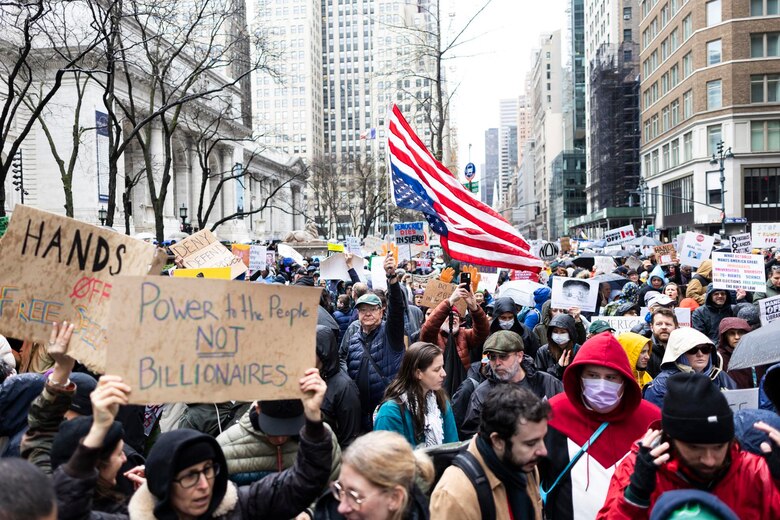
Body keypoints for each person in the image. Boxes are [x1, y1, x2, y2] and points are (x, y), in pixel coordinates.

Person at [56, 368, 334, 519]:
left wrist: (311, 418)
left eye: (208, 470)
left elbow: (307, 479)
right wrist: (99, 430)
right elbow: (68, 512)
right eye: (189, 476)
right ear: (164, 482)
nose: (204, 485)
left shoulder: (236, 505)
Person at [598, 372, 780, 518]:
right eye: (694, 448)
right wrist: (635, 497)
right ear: (670, 439)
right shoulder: (638, 470)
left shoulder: (754, 471)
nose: (709, 460)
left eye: (718, 447)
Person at [538, 333, 661, 520]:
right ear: (579, 377)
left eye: (611, 377)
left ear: (624, 380)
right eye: (593, 375)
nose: (602, 385)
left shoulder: (651, 420)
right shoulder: (553, 414)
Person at [430, 385, 548, 520]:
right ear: (498, 441)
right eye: (530, 443)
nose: (543, 451)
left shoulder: (526, 466)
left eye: (542, 439)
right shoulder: (455, 495)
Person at [461, 331, 562, 438]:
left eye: (503, 356)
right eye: (492, 357)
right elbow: (471, 435)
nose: (497, 363)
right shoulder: (482, 394)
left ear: (519, 356)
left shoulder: (547, 382)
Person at [345, 253, 406, 431]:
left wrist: (392, 278)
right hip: (362, 416)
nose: (368, 313)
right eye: (363, 310)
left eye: (373, 309)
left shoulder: (390, 333)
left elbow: (397, 308)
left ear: (381, 311)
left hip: (388, 411)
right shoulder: (354, 339)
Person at [314, 430, 433, 519]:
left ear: (395, 498)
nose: (341, 508)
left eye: (354, 495)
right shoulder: (328, 513)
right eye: (340, 489)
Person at [373, 343, 458, 447]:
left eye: (442, 367)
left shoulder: (441, 401)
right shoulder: (390, 411)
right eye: (437, 369)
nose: (444, 373)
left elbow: (453, 446)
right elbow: (389, 459)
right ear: (418, 373)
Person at [643, 327, 737, 407]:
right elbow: (659, 422)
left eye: (705, 349)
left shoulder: (721, 377)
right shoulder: (660, 385)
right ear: (679, 354)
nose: (700, 354)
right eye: (692, 350)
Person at [419, 283, 490, 375]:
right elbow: (428, 329)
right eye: (448, 315)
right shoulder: (434, 336)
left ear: (461, 321)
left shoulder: (464, 334)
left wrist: (474, 308)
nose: (452, 318)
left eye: (455, 315)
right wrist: (450, 301)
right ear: (441, 319)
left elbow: (482, 331)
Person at [717, 317, 765, 389]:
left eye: (741, 333)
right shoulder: (719, 357)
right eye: (732, 333)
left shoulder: (756, 354)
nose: (737, 337)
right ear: (725, 336)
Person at [534, 314, 580, 380]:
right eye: (555, 331)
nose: (558, 335)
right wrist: (558, 368)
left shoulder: (579, 350)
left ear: (571, 333)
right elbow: (540, 379)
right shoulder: (543, 351)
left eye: (563, 332)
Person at [647, 308, 678, 378]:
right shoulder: (645, 351)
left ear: (676, 327)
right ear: (651, 327)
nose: (664, 327)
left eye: (668, 324)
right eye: (659, 324)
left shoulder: (684, 349)